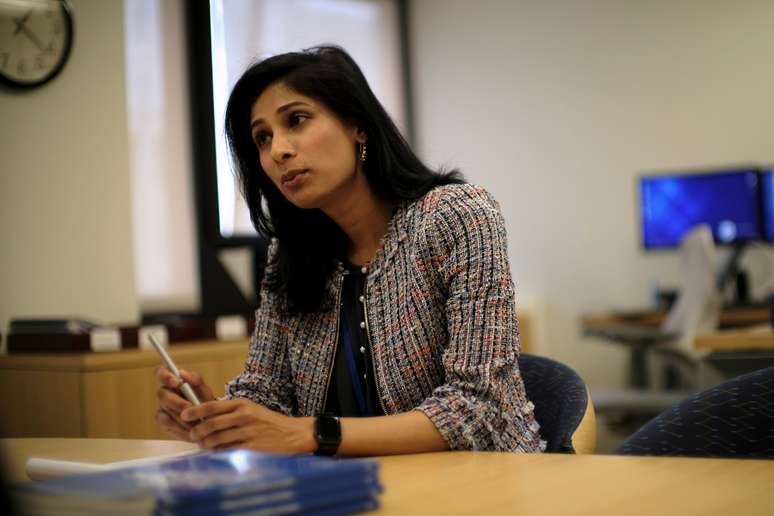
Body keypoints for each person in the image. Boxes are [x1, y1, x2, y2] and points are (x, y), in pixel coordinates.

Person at [156, 46, 545, 456]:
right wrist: (216, 417)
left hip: (485, 483)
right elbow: (268, 393)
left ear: (357, 125)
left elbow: (477, 408)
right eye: (262, 137)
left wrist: (313, 434)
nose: (278, 151)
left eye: (296, 120)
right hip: (354, 488)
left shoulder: (456, 216)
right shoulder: (289, 254)